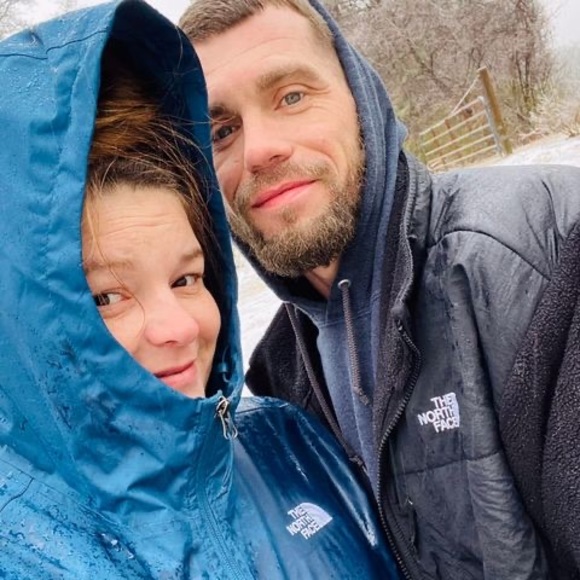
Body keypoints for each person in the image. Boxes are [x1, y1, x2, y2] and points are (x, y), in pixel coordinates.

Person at [179, 0, 580, 578]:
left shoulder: (546, 253)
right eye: (221, 131)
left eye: (291, 96)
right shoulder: (277, 378)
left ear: (361, 100)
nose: (259, 149)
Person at [0, 1, 401, 577]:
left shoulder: (287, 439)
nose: (180, 327)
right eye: (106, 297)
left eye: (185, 279)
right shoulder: (23, 551)